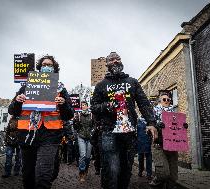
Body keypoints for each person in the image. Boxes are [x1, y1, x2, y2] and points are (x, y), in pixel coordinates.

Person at [91, 52, 157, 189]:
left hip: (129, 132)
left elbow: (143, 103)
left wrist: (151, 123)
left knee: (126, 168)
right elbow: (94, 107)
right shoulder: (101, 85)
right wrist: (107, 106)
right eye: (111, 60)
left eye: (118, 59)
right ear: (107, 64)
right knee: (111, 168)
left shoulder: (132, 82)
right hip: (109, 131)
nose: (115, 61)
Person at [8, 55, 74, 189]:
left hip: (51, 134)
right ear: (39, 67)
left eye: (50, 65)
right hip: (28, 134)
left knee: (44, 174)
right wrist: (17, 101)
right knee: (28, 175)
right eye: (44, 64)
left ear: (54, 69)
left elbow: (69, 114)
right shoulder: (26, 86)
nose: (46, 67)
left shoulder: (60, 89)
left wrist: (62, 104)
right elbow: (12, 111)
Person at [150, 92, 187, 189]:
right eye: (164, 99)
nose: (166, 101)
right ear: (159, 101)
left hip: (172, 146)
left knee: (173, 177)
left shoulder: (174, 113)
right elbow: (148, 128)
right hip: (159, 145)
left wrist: (183, 126)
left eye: (168, 100)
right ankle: (155, 184)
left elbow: (177, 128)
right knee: (163, 174)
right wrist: (157, 126)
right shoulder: (152, 113)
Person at [73, 101, 94, 182]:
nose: (83, 106)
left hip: (89, 138)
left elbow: (94, 125)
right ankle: (81, 172)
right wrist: (75, 121)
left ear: (87, 106)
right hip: (81, 137)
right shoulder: (78, 115)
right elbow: (75, 127)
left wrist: (92, 132)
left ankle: (86, 169)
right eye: (82, 105)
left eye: (85, 105)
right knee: (83, 155)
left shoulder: (92, 115)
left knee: (88, 157)